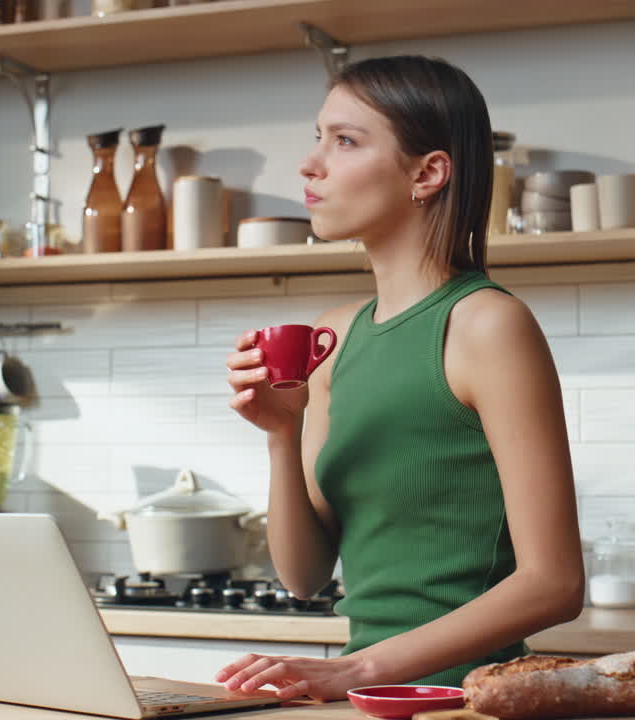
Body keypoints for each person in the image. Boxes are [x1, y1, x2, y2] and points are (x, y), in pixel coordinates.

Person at [220, 55, 584, 701]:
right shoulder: (335, 336)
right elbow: (303, 576)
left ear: (428, 173)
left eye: (346, 141)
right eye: (318, 136)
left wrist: (358, 669)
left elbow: (553, 584)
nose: (311, 164)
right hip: (362, 702)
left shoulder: (486, 325)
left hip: (466, 701)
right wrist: (282, 430)